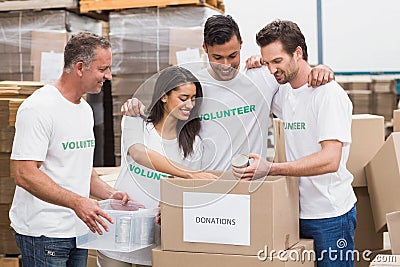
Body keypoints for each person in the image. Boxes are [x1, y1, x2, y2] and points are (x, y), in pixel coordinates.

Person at [122, 14, 335, 172]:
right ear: (204, 48)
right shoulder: (194, 85)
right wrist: (136, 108)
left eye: (233, 55)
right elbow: (162, 120)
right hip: (207, 183)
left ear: (241, 44)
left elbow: (297, 84)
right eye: (217, 57)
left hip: (249, 184)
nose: (226, 65)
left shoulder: (263, 77)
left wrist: (323, 68)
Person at [232, 20, 357, 267]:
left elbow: (331, 159)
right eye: (267, 62)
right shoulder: (285, 92)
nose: (271, 70)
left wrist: (271, 168)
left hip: (330, 215)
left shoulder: (328, 95)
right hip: (295, 212)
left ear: (298, 53)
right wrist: (256, 63)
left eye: (277, 61)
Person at [9, 32, 134, 267]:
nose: (108, 76)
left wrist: (110, 194)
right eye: (102, 69)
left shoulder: (84, 110)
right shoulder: (38, 108)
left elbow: (81, 169)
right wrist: (78, 202)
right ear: (79, 68)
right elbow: (24, 173)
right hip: (44, 234)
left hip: (78, 230)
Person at [98, 66, 217, 266]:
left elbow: (183, 191)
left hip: (156, 238)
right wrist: (188, 174)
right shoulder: (136, 123)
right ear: (163, 97)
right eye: (183, 97)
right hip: (120, 235)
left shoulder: (193, 144)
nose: (190, 104)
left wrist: (170, 205)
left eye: (193, 98)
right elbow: (138, 153)